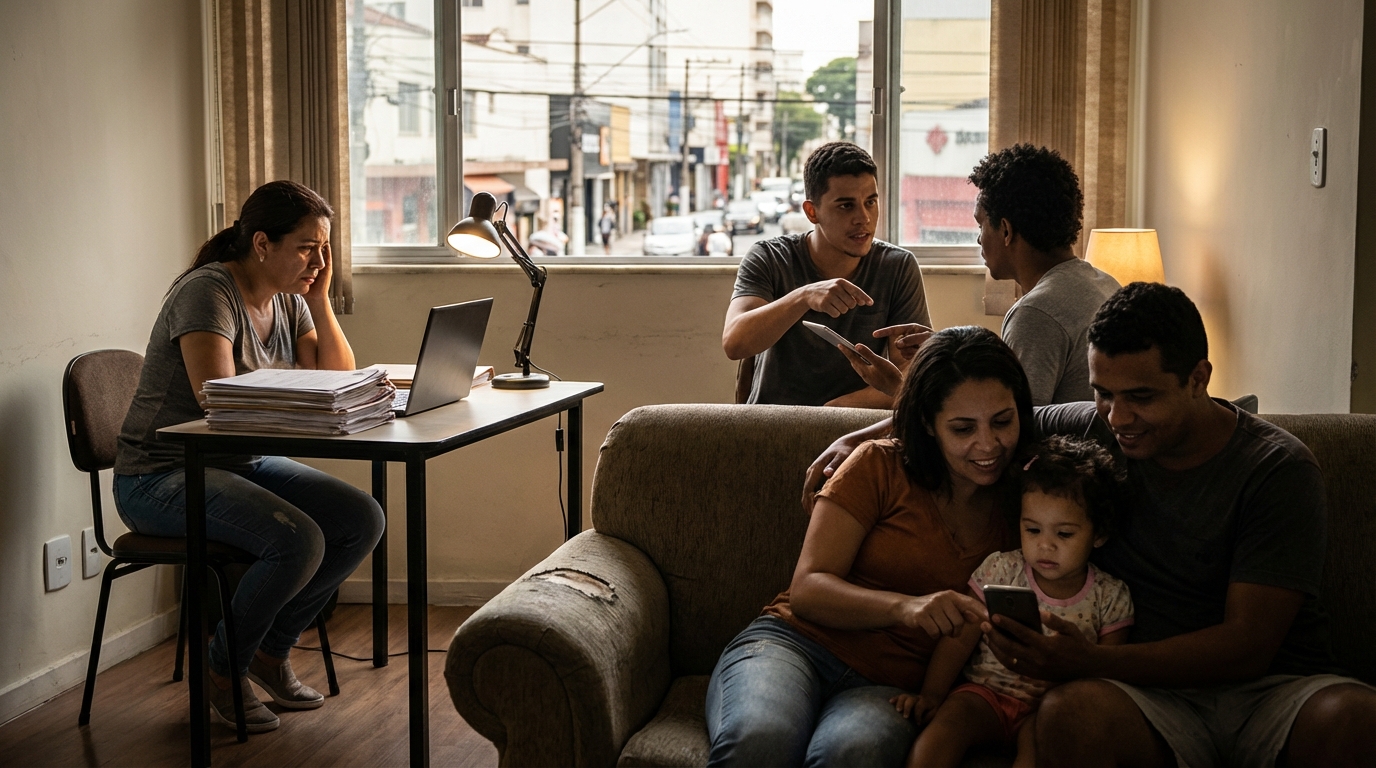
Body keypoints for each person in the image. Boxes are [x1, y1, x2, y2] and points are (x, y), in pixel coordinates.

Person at [809, 283, 1376, 765]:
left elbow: (1247, 645)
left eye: (1142, 397)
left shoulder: (1276, 468)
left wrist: (1090, 660)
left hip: (1269, 688)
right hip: (1146, 698)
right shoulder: (1094, 428)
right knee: (1067, 715)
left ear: (1199, 376)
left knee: (1356, 717)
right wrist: (859, 436)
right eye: (1103, 394)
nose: (1119, 417)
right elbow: (982, 412)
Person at [113, 180, 386, 734]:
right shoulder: (208, 292)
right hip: (160, 474)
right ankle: (223, 669)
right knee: (298, 539)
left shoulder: (290, 299)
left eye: (324, 247)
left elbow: (336, 378)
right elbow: (220, 400)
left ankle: (267, 652)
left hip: (237, 462)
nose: (320, 259)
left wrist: (318, 298)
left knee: (361, 519)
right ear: (262, 244)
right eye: (307, 247)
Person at [705, 326, 1031, 766]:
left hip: (891, 687)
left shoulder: (1028, 507)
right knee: (760, 741)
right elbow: (808, 590)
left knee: (853, 754)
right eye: (962, 428)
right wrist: (906, 608)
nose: (988, 444)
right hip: (793, 645)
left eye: (1002, 421)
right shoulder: (878, 465)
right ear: (927, 425)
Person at [894, 435, 1133, 768]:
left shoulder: (1110, 596)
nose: (1045, 546)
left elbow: (1108, 672)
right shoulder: (1001, 568)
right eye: (1033, 530)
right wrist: (932, 694)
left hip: (1047, 710)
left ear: (1099, 534)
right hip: (984, 695)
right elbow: (961, 635)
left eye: (1064, 534)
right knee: (945, 729)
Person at [842, 145, 1119, 407]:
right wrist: (946, 351)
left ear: (1006, 231)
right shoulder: (1104, 284)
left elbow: (1004, 429)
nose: (978, 239)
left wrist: (899, 387)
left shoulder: (1036, 313)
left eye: (981, 224)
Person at [722, 142, 930, 407]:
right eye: (846, 206)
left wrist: (832, 412)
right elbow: (734, 343)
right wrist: (803, 297)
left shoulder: (897, 266)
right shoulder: (770, 257)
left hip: (852, 426)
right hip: (772, 426)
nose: (863, 218)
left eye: (870, 202)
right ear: (812, 212)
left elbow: (910, 378)